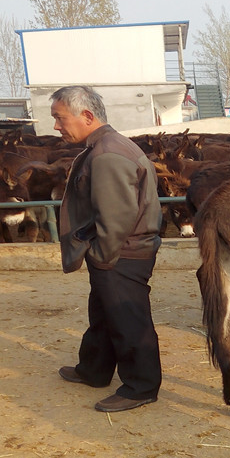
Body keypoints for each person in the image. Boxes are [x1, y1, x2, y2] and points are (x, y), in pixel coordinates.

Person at [52, 86, 163, 413]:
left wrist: (102, 257)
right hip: (117, 250)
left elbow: (117, 216)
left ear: (87, 116)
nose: (56, 126)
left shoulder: (107, 154)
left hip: (121, 252)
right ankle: (95, 370)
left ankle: (141, 386)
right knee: (104, 313)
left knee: (129, 320)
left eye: (60, 118)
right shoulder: (105, 147)